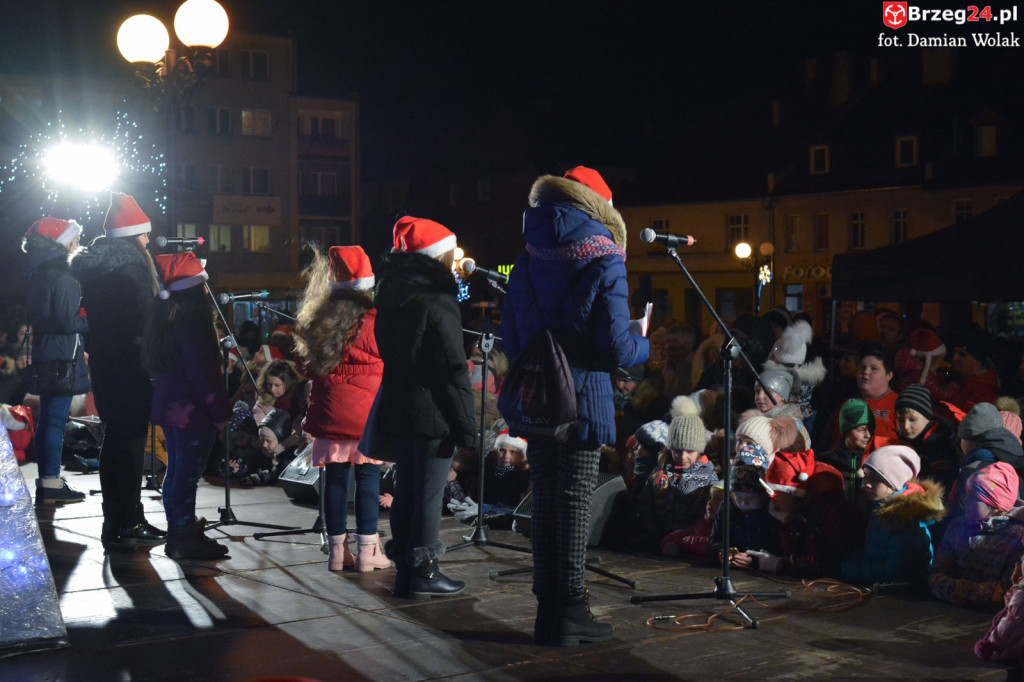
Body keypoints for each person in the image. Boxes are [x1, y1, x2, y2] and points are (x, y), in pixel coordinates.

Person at [501, 166, 649, 646]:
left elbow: (512, 336)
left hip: (538, 394)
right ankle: (571, 610)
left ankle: (548, 611)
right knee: (574, 500)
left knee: (544, 497)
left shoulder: (528, 255)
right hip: (583, 397)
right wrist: (643, 343)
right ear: (601, 209)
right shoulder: (605, 258)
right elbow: (616, 348)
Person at [365, 216, 478, 598]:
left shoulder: (390, 294)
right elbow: (451, 368)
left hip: (398, 405)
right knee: (428, 496)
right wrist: (467, 427)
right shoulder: (438, 299)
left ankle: (406, 574)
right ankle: (425, 573)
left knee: (408, 491)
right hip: (431, 413)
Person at [70, 192, 165, 547]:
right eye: (143, 235)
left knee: (116, 441)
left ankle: (118, 521)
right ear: (132, 235)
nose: (147, 241)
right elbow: (143, 320)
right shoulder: (131, 267)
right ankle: (128, 521)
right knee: (129, 442)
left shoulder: (97, 268)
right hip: (131, 365)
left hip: (108, 365)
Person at [293, 246, 389, 573]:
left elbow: (304, 367)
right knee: (368, 478)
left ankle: (336, 553)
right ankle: (367, 552)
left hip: (330, 413)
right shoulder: (377, 321)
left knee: (334, 479)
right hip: (366, 415)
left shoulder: (320, 320)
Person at [143, 252, 232, 560]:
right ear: (197, 289)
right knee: (186, 477)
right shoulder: (194, 322)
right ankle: (183, 537)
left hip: (172, 407)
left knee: (177, 474)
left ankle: (178, 533)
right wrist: (220, 413)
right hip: (191, 411)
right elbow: (203, 375)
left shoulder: (168, 317)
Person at [22, 218, 90, 504]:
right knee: (54, 421)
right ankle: (50, 482)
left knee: (50, 419)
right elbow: (68, 320)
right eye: (75, 240)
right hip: (62, 354)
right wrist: (93, 316)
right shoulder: (63, 274)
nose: (79, 244)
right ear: (64, 242)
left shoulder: (42, 271)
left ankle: (48, 480)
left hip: (48, 352)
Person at [841, 445, 945, 586]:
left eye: (876, 480)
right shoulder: (877, 507)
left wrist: (849, 569)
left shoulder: (905, 517)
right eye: (866, 478)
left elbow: (895, 570)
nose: (867, 485)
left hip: (904, 597)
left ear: (894, 483)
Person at [930, 462, 1024, 606]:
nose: (964, 501)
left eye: (973, 497)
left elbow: (1008, 590)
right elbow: (937, 573)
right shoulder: (958, 527)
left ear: (995, 504)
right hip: (947, 616)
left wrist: (954, 590)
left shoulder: (1019, 537)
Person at [894, 384, 958, 492]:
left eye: (912, 419)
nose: (905, 426)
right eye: (901, 420)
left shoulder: (940, 444)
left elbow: (942, 487)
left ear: (927, 417)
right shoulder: (904, 440)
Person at [818, 398, 874, 503]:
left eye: (870, 429)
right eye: (861, 429)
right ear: (846, 430)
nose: (868, 435)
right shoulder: (827, 461)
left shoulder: (873, 462)